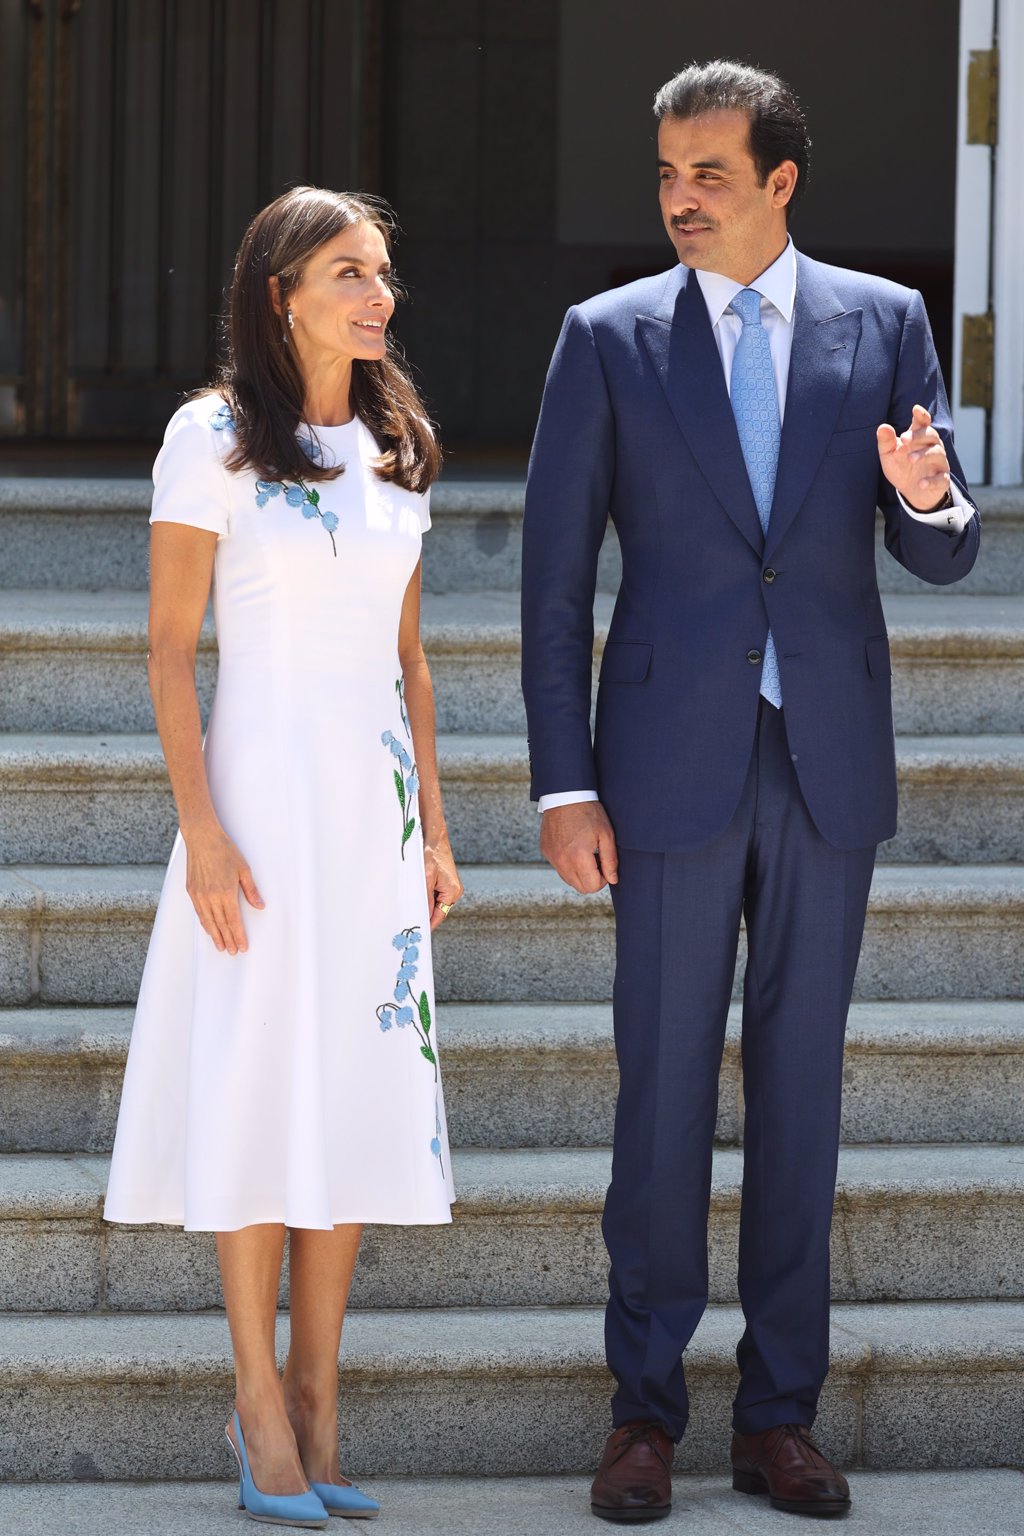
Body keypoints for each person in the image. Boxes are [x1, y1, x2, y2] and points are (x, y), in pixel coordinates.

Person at [521, 60, 979, 1524]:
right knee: (658, 1095)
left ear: (782, 181)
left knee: (802, 1100)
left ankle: (781, 1414)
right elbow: (548, 588)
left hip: (824, 758)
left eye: (710, 174)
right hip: (660, 767)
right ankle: (642, 1415)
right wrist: (560, 785)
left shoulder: (885, 322)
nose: (680, 199)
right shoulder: (607, 339)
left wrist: (926, 496)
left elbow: (945, 548)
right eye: (666, 174)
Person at [104, 186, 462, 1529]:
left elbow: (411, 660)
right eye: (347, 272)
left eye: (383, 271)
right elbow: (166, 646)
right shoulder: (211, 438)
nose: (379, 295)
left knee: (356, 1099)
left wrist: (430, 823)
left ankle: (320, 1397)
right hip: (252, 814)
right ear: (281, 293)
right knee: (259, 1096)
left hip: (368, 827)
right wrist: (201, 827)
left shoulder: (399, 443)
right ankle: (257, 1400)